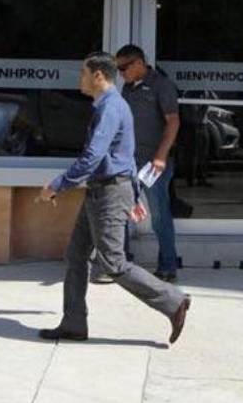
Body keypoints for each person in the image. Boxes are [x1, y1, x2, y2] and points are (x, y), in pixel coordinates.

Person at [37, 52, 191, 344]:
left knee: (114, 264)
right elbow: (127, 155)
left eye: (84, 73)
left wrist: (58, 184)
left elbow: (93, 156)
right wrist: (134, 195)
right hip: (103, 190)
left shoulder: (110, 107)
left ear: (98, 76)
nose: (80, 79)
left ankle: (173, 301)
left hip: (108, 192)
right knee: (76, 256)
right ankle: (73, 323)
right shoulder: (115, 103)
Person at [115, 44, 181, 281]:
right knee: (121, 209)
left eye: (124, 68)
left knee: (159, 214)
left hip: (152, 164)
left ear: (139, 63)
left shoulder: (161, 85)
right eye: (118, 69)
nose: (121, 73)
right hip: (128, 160)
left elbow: (173, 121)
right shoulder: (128, 87)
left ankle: (168, 265)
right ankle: (119, 262)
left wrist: (160, 156)